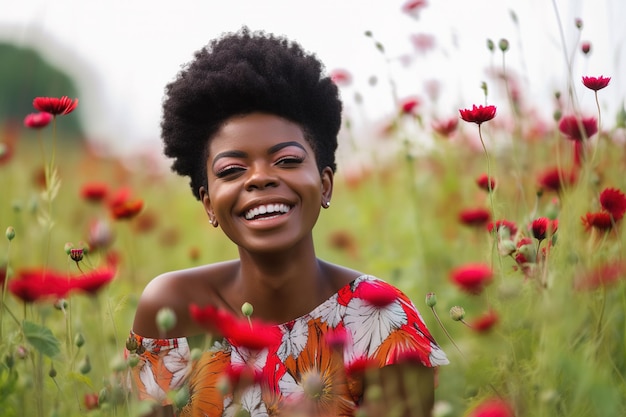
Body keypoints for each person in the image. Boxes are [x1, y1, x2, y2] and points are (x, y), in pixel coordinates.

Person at [127, 28, 448, 417]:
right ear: (209, 204)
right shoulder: (173, 308)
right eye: (232, 169)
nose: (259, 178)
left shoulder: (383, 319)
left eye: (287, 160)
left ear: (325, 184)